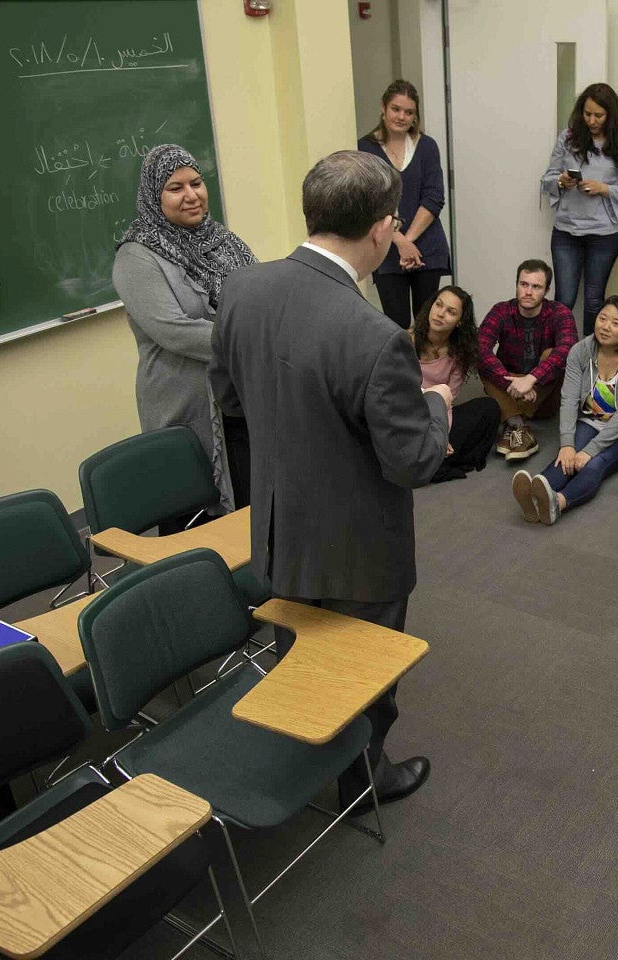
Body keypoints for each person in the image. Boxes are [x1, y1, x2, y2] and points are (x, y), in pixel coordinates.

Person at [209, 150, 451, 812]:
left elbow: (230, 401)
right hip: (359, 547)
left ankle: (306, 760)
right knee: (365, 670)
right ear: (381, 228)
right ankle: (365, 780)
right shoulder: (374, 337)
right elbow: (412, 462)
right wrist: (438, 406)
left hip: (281, 530)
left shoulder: (242, 289)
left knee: (302, 649)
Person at [113, 144, 257, 526]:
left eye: (196, 182)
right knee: (196, 517)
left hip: (239, 397)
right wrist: (252, 338)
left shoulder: (223, 240)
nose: (191, 195)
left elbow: (256, 296)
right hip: (187, 406)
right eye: (175, 188)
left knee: (249, 505)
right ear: (153, 195)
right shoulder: (137, 255)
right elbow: (173, 330)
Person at [511, 297, 618, 525]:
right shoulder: (580, 350)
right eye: (602, 318)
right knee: (566, 458)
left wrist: (591, 449)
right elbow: (568, 399)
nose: (605, 326)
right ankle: (538, 491)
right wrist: (567, 443)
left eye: (615, 323)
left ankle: (558, 502)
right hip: (590, 420)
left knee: (594, 462)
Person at [540, 82, 618, 334]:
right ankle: (559, 357)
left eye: (599, 115)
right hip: (567, 230)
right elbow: (548, 178)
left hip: (604, 233)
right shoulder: (568, 137)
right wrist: (562, 181)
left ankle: (592, 357)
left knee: (595, 301)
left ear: (611, 114)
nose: (592, 120)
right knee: (564, 299)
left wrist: (603, 188)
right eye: (587, 114)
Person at [357, 80, 450, 329]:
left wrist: (408, 241)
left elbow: (434, 197)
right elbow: (369, 201)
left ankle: (427, 370)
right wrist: (399, 242)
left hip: (427, 249)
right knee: (395, 326)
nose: (402, 116)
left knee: (429, 326)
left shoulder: (427, 146)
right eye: (396, 109)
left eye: (409, 112)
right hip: (386, 251)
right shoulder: (364, 148)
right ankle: (402, 370)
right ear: (383, 108)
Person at [476, 259, 578, 461]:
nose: (528, 292)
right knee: (484, 360)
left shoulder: (560, 313)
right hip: (509, 385)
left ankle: (510, 418)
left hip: (543, 394)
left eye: (536, 286)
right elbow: (481, 348)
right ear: (516, 285)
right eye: (524, 284)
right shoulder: (501, 310)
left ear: (546, 290)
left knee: (553, 355)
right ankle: (518, 425)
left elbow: (568, 349)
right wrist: (512, 384)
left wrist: (532, 379)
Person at [412, 286, 500, 482]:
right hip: (408, 418)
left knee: (489, 408)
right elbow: (397, 397)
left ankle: (432, 462)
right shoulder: (405, 340)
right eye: (438, 305)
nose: (440, 314)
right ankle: (434, 463)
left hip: (437, 417)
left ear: (459, 322)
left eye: (451, 312)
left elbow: (447, 403)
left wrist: (441, 436)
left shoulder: (460, 353)